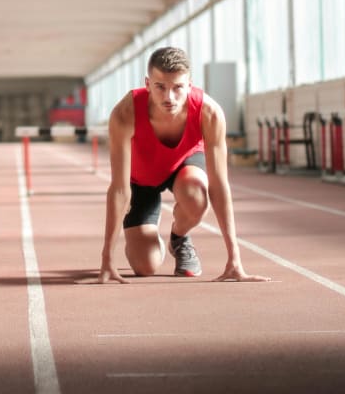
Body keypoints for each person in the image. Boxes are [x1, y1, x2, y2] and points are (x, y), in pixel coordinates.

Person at [85, 47, 270, 284]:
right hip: (141, 180)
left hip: (184, 166)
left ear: (189, 85)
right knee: (145, 266)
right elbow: (119, 189)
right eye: (160, 87)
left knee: (196, 194)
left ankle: (179, 237)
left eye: (177, 88)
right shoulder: (125, 113)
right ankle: (150, 240)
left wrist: (235, 258)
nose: (169, 97)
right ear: (147, 83)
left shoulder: (209, 113)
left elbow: (219, 185)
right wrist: (106, 259)